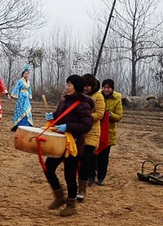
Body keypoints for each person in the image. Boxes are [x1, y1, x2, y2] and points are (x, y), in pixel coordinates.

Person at [43, 75, 94, 217]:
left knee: (69, 174)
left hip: (74, 144)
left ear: (77, 87)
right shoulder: (64, 101)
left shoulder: (83, 104)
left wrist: (68, 127)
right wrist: (52, 116)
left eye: (70, 84)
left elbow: (87, 125)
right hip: (60, 142)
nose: (67, 87)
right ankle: (59, 196)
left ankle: (71, 204)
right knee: (49, 168)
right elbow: (61, 115)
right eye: (67, 83)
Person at [77, 74, 105, 202]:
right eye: (84, 86)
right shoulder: (79, 95)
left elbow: (99, 114)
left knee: (86, 159)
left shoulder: (98, 97)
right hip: (78, 131)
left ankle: (82, 189)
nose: (86, 88)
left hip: (92, 132)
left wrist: (85, 117)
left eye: (88, 86)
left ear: (93, 86)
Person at [96, 79, 123, 186]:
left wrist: (110, 115)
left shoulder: (117, 99)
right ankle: (91, 176)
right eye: (104, 87)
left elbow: (119, 116)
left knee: (104, 157)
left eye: (108, 87)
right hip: (96, 132)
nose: (106, 89)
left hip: (108, 133)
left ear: (112, 89)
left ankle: (101, 177)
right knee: (93, 156)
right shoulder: (97, 97)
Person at [10, 65, 33, 132]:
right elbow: (16, 88)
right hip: (21, 98)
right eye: (25, 73)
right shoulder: (20, 81)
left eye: (27, 74)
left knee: (28, 110)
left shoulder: (29, 82)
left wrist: (30, 95)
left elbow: (30, 89)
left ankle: (27, 125)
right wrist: (13, 95)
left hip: (26, 98)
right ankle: (18, 125)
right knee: (20, 111)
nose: (26, 75)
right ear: (23, 74)